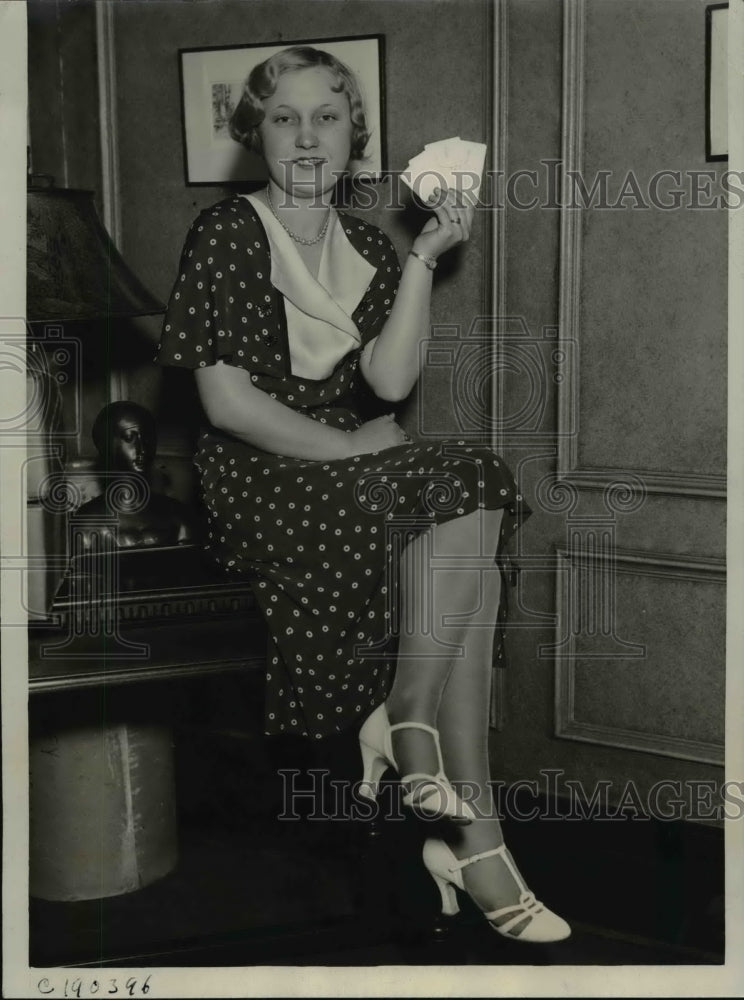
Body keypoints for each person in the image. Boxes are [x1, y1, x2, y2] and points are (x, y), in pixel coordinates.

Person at [156, 45, 569, 944]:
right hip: (261, 479)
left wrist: (424, 258)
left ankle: (411, 731)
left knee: (472, 482)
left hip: (346, 467)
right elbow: (227, 406)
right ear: (253, 132)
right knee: (464, 516)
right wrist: (348, 449)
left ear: (355, 136)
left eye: (328, 117)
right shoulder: (228, 233)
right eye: (284, 117)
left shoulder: (370, 248)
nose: (308, 137)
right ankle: (474, 840)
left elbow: (388, 382)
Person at [75, 401, 196, 550]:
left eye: (147, 438)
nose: (142, 449)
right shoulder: (87, 520)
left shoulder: (177, 514)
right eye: (129, 438)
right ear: (107, 444)